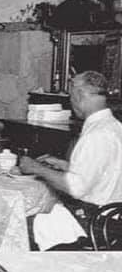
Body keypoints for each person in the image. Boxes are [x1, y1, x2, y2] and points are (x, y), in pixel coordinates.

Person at [19, 71, 122, 247]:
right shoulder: (114, 127)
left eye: (71, 95)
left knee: (19, 226)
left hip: (94, 223)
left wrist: (37, 168)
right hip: (113, 218)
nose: (71, 101)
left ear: (80, 94)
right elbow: (104, 171)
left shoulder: (96, 134)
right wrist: (65, 165)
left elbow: (76, 188)